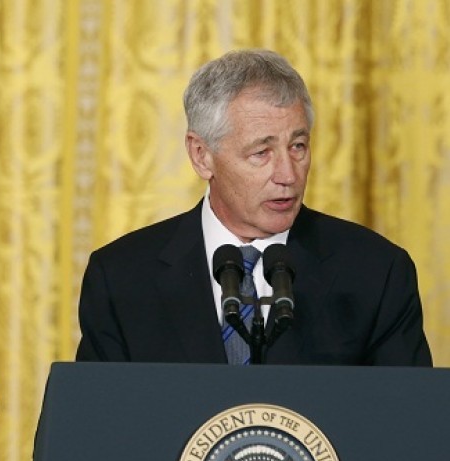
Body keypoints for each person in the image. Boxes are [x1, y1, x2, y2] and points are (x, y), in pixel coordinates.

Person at [76, 49, 432, 366]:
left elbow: (407, 426)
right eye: (261, 152)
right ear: (202, 157)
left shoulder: (376, 272)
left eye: (298, 147)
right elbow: (97, 427)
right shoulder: (121, 279)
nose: (287, 174)